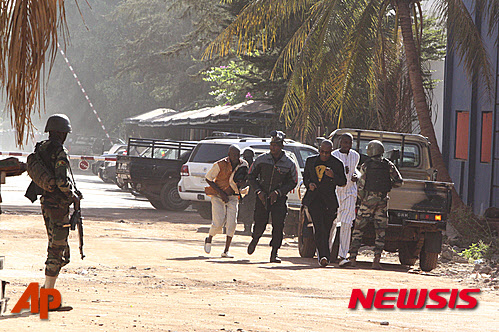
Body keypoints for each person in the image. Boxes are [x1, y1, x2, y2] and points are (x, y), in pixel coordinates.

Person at [38, 114, 81, 294]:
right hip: (58, 205)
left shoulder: (41, 149)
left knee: (56, 246)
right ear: (60, 133)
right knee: (57, 249)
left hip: (47, 203)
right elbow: (62, 182)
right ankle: (47, 296)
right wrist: (73, 196)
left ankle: (45, 290)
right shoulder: (59, 152)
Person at [348, 140, 403, 269]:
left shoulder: (366, 165)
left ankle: (352, 258)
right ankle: (376, 261)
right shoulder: (388, 165)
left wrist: (363, 199)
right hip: (382, 202)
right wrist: (388, 185)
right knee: (381, 232)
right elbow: (399, 182)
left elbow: (361, 185)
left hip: (368, 201)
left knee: (358, 230)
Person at [247, 130, 298, 263]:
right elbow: (251, 176)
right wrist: (258, 191)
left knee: (278, 226)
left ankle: (274, 253)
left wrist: (279, 192)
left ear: (281, 146)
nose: (273, 147)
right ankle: (255, 239)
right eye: (271, 144)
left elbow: (293, 181)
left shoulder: (289, 163)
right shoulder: (261, 159)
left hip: (279, 200)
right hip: (262, 197)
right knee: (259, 223)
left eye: (276, 145)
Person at [302, 140, 346, 267]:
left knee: (326, 229)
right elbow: (306, 178)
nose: (324, 155)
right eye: (322, 152)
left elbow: (342, 182)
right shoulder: (311, 161)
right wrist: (309, 184)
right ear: (319, 150)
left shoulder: (337, 164)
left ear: (331, 151)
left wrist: (333, 176)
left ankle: (323, 254)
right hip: (314, 199)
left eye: (327, 152)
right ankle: (324, 256)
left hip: (329, 201)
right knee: (319, 226)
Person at [204, 145, 248, 258]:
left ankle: (226, 250)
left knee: (232, 223)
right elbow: (208, 178)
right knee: (218, 223)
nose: (236, 157)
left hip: (233, 196)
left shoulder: (243, 164)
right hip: (218, 196)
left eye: (238, 155)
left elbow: (245, 178)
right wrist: (221, 193)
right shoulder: (220, 164)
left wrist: (243, 184)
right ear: (229, 155)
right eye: (234, 155)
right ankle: (209, 238)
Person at [330, 133, 360, 267]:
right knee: (332, 223)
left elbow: (356, 170)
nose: (347, 145)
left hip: (350, 192)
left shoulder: (355, 155)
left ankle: (343, 255)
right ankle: (327, 252)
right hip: (336, 192)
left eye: (349, 143)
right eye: (345, 142)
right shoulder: (334, 155)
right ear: (340, 142)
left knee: (347, 224)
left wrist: (356, 175)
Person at [237, 148, 256, 235]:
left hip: (249, 190)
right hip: (247, 190)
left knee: (246, 208)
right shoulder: (244, 164)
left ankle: (247, 227)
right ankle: (247, 227)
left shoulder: (244, 164)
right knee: (249, 209)